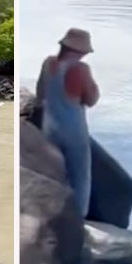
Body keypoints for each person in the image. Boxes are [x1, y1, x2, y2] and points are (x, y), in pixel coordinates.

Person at [35, 28, 99, 217]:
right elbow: (91, 99)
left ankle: (49, 217)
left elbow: (40, 94)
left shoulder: (48, 64)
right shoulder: (81, 69)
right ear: (80, 51)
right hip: (74, 131)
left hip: (50, 128)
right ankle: (77, 222)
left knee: (53, 175)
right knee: (80, 177)